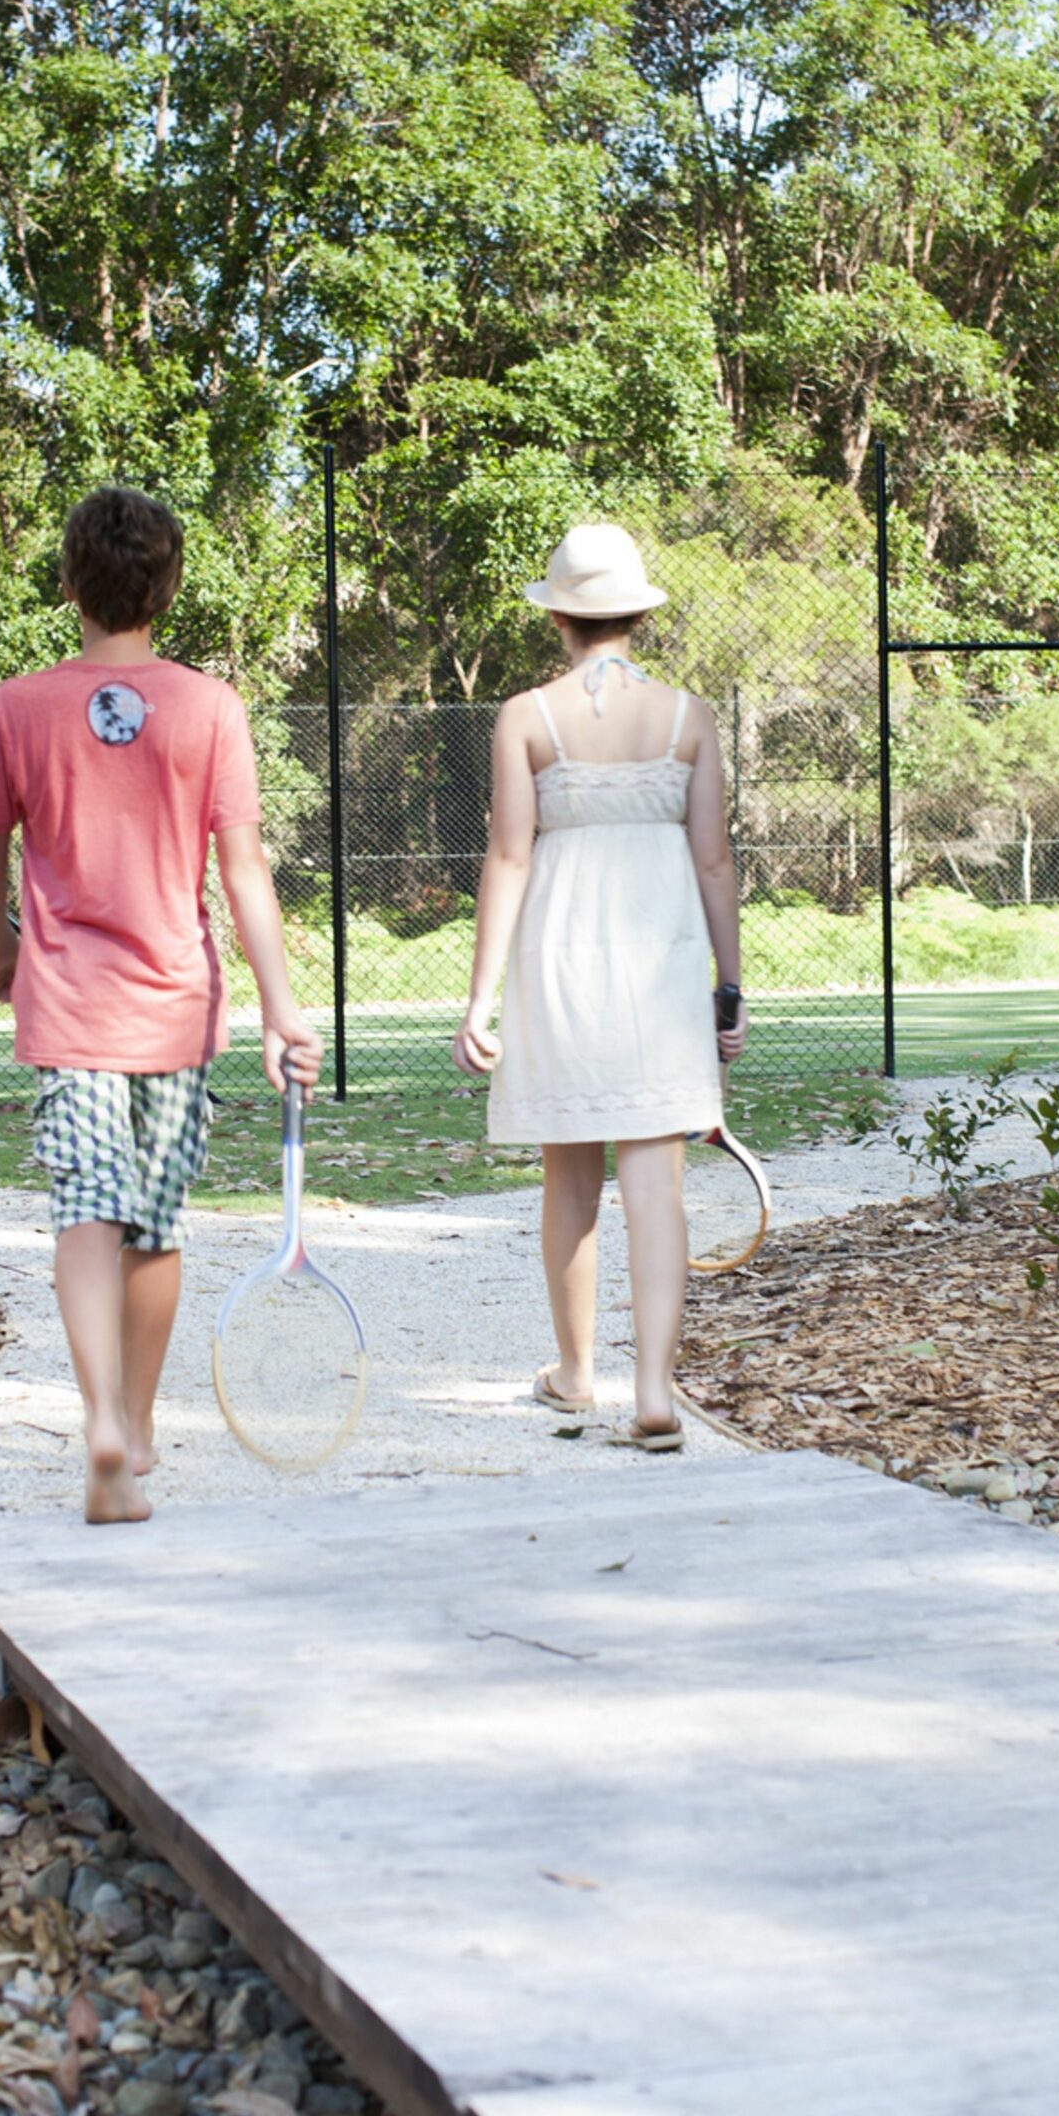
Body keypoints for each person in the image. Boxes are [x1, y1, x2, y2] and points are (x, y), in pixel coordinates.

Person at [0, 485, 323, 1524]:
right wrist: (279, 1007)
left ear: (68, 581)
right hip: (175, 1009)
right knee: (154, 1228)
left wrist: (1, 952)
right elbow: (244, 871)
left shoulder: (14, 707)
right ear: (169, 588)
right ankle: (140, 1424)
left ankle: (100, 1421)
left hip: (67, 1004)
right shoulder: (210, 707)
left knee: (85, 1207)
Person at [453, 523, 746, 1450]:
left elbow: (507, 855)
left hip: (559, 965)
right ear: (636, 615)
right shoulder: (686, 717)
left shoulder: (525, 716)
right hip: (659, 972)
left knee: (569, 1179)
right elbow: (712, 862)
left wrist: (478, 998)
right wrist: (728, 985)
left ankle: (577, 1375)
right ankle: (654, 1394)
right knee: (655, 1185)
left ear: (560, 621)